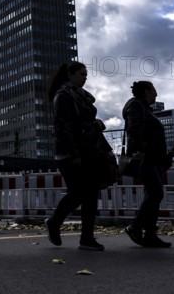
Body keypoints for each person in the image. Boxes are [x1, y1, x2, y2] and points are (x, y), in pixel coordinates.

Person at [44, 61, 112, 251]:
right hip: (72, 152)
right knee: (81, 192)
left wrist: (96, 126)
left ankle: (84, 236)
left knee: (88, 193)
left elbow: (83, 124)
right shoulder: (64, 95)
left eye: (86, 75)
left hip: (85, 150)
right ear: (70, 74)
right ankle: (63, 227)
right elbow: (62, 127)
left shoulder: (78, 96)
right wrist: (73, 152)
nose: (85, 78)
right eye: (82, 74)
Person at [122, 81, 172, 248]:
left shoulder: (143, 107)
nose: (156, 95)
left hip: (153, 158)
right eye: (154, 91)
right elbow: (134, 128)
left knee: (153, 194)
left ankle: (150, 233)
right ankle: (135, 227)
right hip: (147, 158)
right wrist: (140, 149)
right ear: (146, 91)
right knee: (156, 193)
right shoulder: (137, 106)